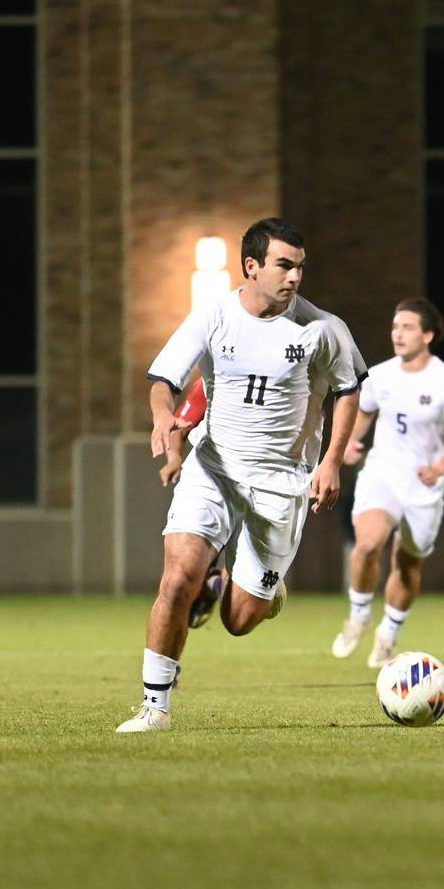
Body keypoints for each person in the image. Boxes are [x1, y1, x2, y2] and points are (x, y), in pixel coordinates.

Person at [116, 218, 360, 733]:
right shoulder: (214, 317)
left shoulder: (323, 329)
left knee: (239, 620)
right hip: (214, 469)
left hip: (280, 482)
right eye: (284, 265)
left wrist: (331, 462)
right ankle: (154, 706)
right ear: (251, 267)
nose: (295, 276)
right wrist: (165, 419)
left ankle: (259, 593)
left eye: (300, 267)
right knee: (178, 577)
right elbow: (163, 379)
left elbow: (348, 390)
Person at [329, 297, 444, 668]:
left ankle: (388, 635)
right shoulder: (380, 375)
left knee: (407, 562)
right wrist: (347, 444)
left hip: (423, 486)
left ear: (428, 335)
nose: (398, 333)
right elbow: (362, 413)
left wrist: (440, 466)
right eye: (395, 327)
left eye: (407, 327)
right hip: (383, 473)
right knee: (367, 544)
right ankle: (359, 616)